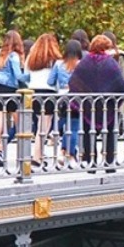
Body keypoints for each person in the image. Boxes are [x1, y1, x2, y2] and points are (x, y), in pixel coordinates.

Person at [68, 34, 124, 173]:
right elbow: (121, 85)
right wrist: (117, 101)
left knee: (89, 133)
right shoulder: (111, 63)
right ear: (105, 48)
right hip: (108, 105)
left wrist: (81, 100)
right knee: (110, 134)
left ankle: (90, 163)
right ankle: (109, 163)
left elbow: (73, 82)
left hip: (89, 105)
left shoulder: (85, 62)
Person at [0, 30, 26, 168]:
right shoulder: (13, 56)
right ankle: (24, 155)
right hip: (10, 91)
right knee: (20, 122)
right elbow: (19, 76)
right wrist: (31, 77)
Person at [24, 33, 61, 166]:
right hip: (48, 91)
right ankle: (37, 155)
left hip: (33, 92)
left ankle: (38, 154)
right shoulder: (54, 59)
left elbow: (26, 76)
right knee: (44, 125)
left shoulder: (31, 58)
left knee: (39, 123)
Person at [49, 39, 83, 167]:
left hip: (62, 97)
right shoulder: (80, 64)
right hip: (76, 97)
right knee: (74, 127)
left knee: (64, 121)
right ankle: (70, 154)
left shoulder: (58, 64)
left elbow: (50, 81)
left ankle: (61, 147)